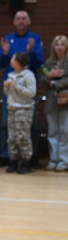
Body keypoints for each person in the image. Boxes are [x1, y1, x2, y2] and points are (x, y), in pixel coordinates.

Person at [0, 11, 43, 168]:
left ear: (29, 21)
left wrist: (30, 51)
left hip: (26, 85)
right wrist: (6, 53)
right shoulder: (8, 39)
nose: (21, 21)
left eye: (24, 19)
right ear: (14, 22)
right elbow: (0, 64)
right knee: (6, 124)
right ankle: (6, 155)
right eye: (18, 18)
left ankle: (32, 156)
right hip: (10, 85)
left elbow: (39, 64)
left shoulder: (35, 38)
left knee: (31, 124)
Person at [4, 51, 37, 173]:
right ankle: (13, 160)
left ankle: (26, 161)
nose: (11, 60)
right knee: (12, 137)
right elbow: (8, 94)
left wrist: (16, 86)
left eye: (12, 58)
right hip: (12, 108)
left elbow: (31, 93)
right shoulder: (11, 74)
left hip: (24, 109)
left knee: (23, 136)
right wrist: (7, 87)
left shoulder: (28, 75)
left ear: (17, 62)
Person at [41, 35, 68, 171]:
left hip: (65, 100)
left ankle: (64, 161)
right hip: (51, 101)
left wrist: (55, 83)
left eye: (62, 44)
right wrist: (49, 76)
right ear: (53, 47)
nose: (59, 47)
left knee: (65, 131)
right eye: (57, 44)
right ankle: (53, 159)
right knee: (53, 131)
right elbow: (42, 79)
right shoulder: (48, 62)